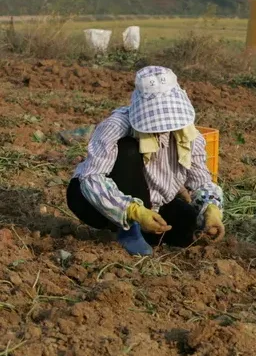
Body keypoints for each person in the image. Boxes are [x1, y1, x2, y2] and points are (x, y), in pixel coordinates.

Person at [67, 66, 224, 256]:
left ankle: (144, 229)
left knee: (189, 229)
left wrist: (212, 208)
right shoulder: (115, 126)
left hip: (154, 201)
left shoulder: (191, 137)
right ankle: (129, 231)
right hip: (91, 199)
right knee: (129, 149)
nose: (163, 127)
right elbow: (91, 178)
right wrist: (134, 211)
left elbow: (200, 181)